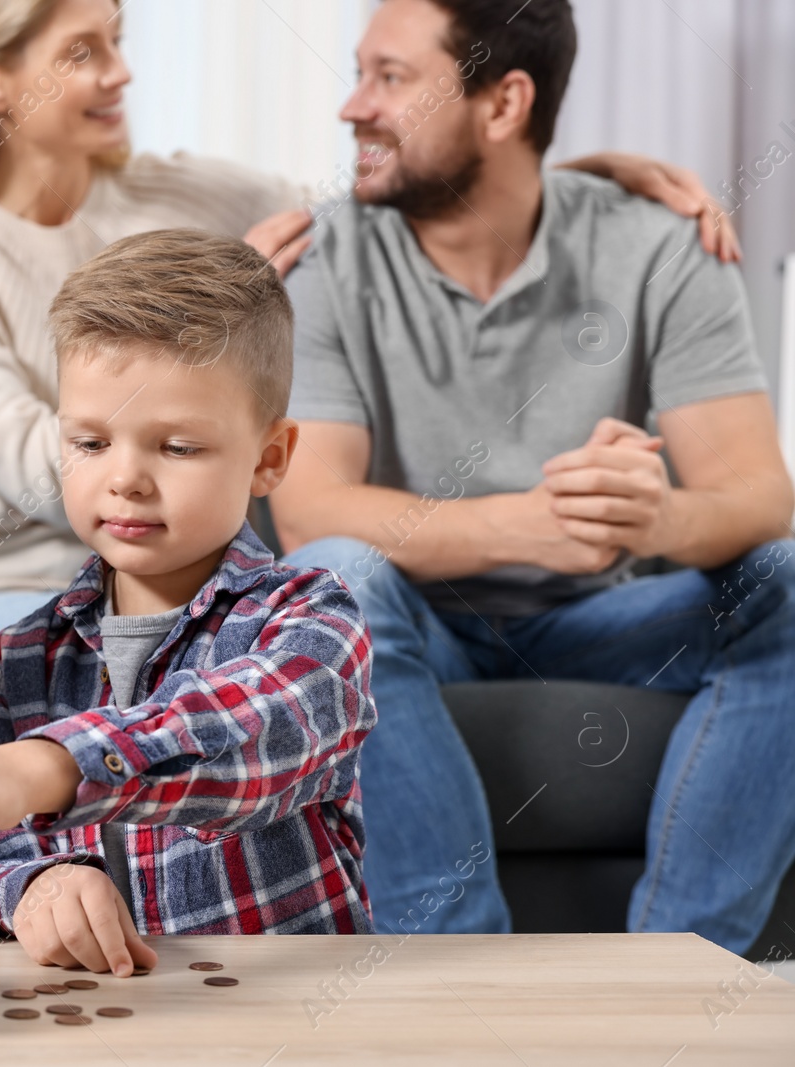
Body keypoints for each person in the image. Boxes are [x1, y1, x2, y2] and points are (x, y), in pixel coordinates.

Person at [0, 0, 744, 690]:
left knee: (259, 657)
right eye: (84, 52)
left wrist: (584, 184)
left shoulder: (180, 191)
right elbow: (44, 470)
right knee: (213, 670)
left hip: (172, 599)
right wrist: (208, 320)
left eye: (118, 41)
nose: (121, 73)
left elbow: (398, 195)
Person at [269, 0, 795, 954]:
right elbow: (311, 511)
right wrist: (527, 524)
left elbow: (763, 499)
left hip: (600, 618)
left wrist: (659, 515)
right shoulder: (322, 257)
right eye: (359, 71)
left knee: (786, 584)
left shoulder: (661, 242)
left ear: (504, 103)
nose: (353, 104)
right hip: (415, 618)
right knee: (337, 574)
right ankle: (458, 981)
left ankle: (671, 973)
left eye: (390, 76)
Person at [0, 229, 378, 977]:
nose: (126, 479)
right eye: (90, 442)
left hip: (287, 1020)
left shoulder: (313, 621)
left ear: (269, 458)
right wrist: (34, 881)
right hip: (98, 1022)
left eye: (176, 447)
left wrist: (41, 769)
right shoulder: (21, 657)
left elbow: (250, 732)